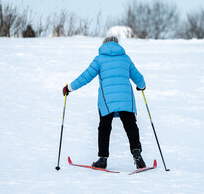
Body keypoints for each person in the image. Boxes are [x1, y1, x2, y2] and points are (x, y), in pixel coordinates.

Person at [62, 36, 147, 169]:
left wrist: (69, 88)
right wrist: (141, 86)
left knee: (104, 127)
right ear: (117, 45)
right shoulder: (125, 58)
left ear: (104, 45)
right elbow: (138, 77)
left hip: (107, 100)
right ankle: (137, 155)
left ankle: (102, 159)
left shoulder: (99, 59)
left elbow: (85, 77)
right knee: (131, 126)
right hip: (126, 99)